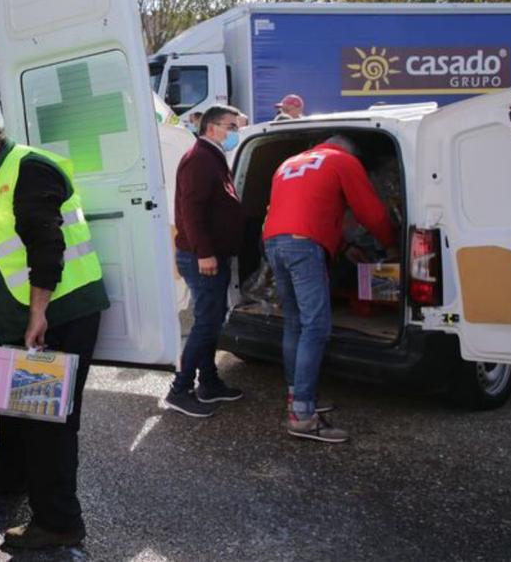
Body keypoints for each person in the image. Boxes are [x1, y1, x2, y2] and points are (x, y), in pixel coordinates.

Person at [0, 109, 109, 550]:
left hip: (59, 315)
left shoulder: (29, 168)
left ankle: (59, 522)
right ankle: (9, 476)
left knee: (48, 422)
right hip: (24, 316)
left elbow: (47, 244)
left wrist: (37, 315)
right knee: (18, 411)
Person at [262, 135, 395, 443]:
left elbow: (308, 208)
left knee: (294, 323)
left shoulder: (288, 163)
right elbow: (370, 212)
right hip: (303, 246)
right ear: (351, 152)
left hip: (274, 243)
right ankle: (304, 417)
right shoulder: (343, 161)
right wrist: (390, 245)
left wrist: (344, 246)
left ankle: (297, 398)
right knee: (316, 327)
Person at [161, 105, 247, 418]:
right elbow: (191, 212)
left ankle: (208, 383)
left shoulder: (210, 156)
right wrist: (204, 252)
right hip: (202, 258)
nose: (235, 132)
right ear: (212, 127)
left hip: (210, 255)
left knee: (211, 321)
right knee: (206, 323)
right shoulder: (198, 159)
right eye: (231, 126)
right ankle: (179, 389)